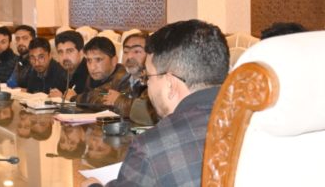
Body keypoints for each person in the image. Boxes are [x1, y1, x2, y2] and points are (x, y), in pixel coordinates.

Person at [84, 20, 229, 187]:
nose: (146, 84)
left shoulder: (152, 148)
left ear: (170, 84)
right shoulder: (250, 123)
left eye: (148, 77)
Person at [75, 37, 129, 111]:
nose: (92, 67)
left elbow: (106, 99)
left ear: (114, 61)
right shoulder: (92, 77)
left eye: (98, 60)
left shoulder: (125, 78)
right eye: (89, 60)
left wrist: (74, 98)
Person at [50, 30, 88, 99]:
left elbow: (97, 98)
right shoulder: (60, 70)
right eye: (60, 52)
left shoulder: (91, 72)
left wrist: (64, 98)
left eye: (69, 51)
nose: (64, 57)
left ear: (81, 52)